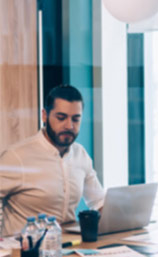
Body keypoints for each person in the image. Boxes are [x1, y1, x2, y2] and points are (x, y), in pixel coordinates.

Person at [0, 84, 104, 236]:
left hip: (68, 246)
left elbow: (99, 202)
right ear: (44, 115)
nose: (69, 126)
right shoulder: (17, 156)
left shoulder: (80, 154)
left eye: (76, 119)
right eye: (61, 118)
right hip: (26, 251)